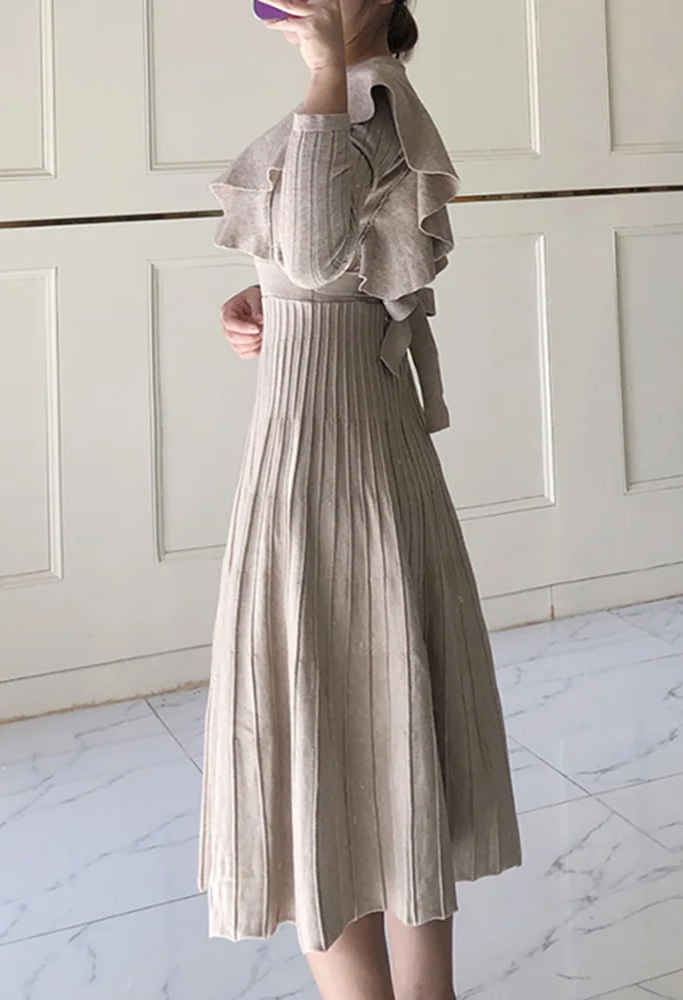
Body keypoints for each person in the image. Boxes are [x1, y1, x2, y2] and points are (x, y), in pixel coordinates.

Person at [198, 2, 522, 998]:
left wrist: (321, 66)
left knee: (326, 727)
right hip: (354, 439)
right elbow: (328, 262)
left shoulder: (357, 96)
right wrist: (265, 298)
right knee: (383, 725)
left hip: (321, 460)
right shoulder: (374, 98)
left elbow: (309, 249)